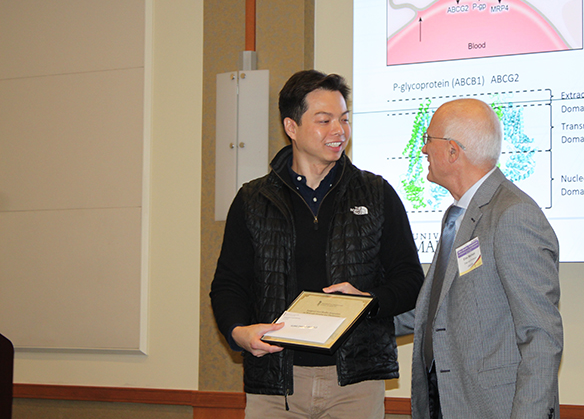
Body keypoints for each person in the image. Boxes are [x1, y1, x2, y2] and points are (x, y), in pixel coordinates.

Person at [210, 70, 424, 419]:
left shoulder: (377, 193)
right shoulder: (253, 200)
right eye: (325, 121)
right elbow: (229, 284)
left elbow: (411, 280)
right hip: (275, 383)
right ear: (291, 127)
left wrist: (368, 301)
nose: (339, 130)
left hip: (355, 382)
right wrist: (238, 332)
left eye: (344, 119)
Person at [409, 98, 563, 419]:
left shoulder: (513, 215)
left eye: (428, 140)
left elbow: (541, 336)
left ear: (453, 151)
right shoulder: (457, 215)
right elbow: (440, 310)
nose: (423, 149)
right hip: (447, 402)